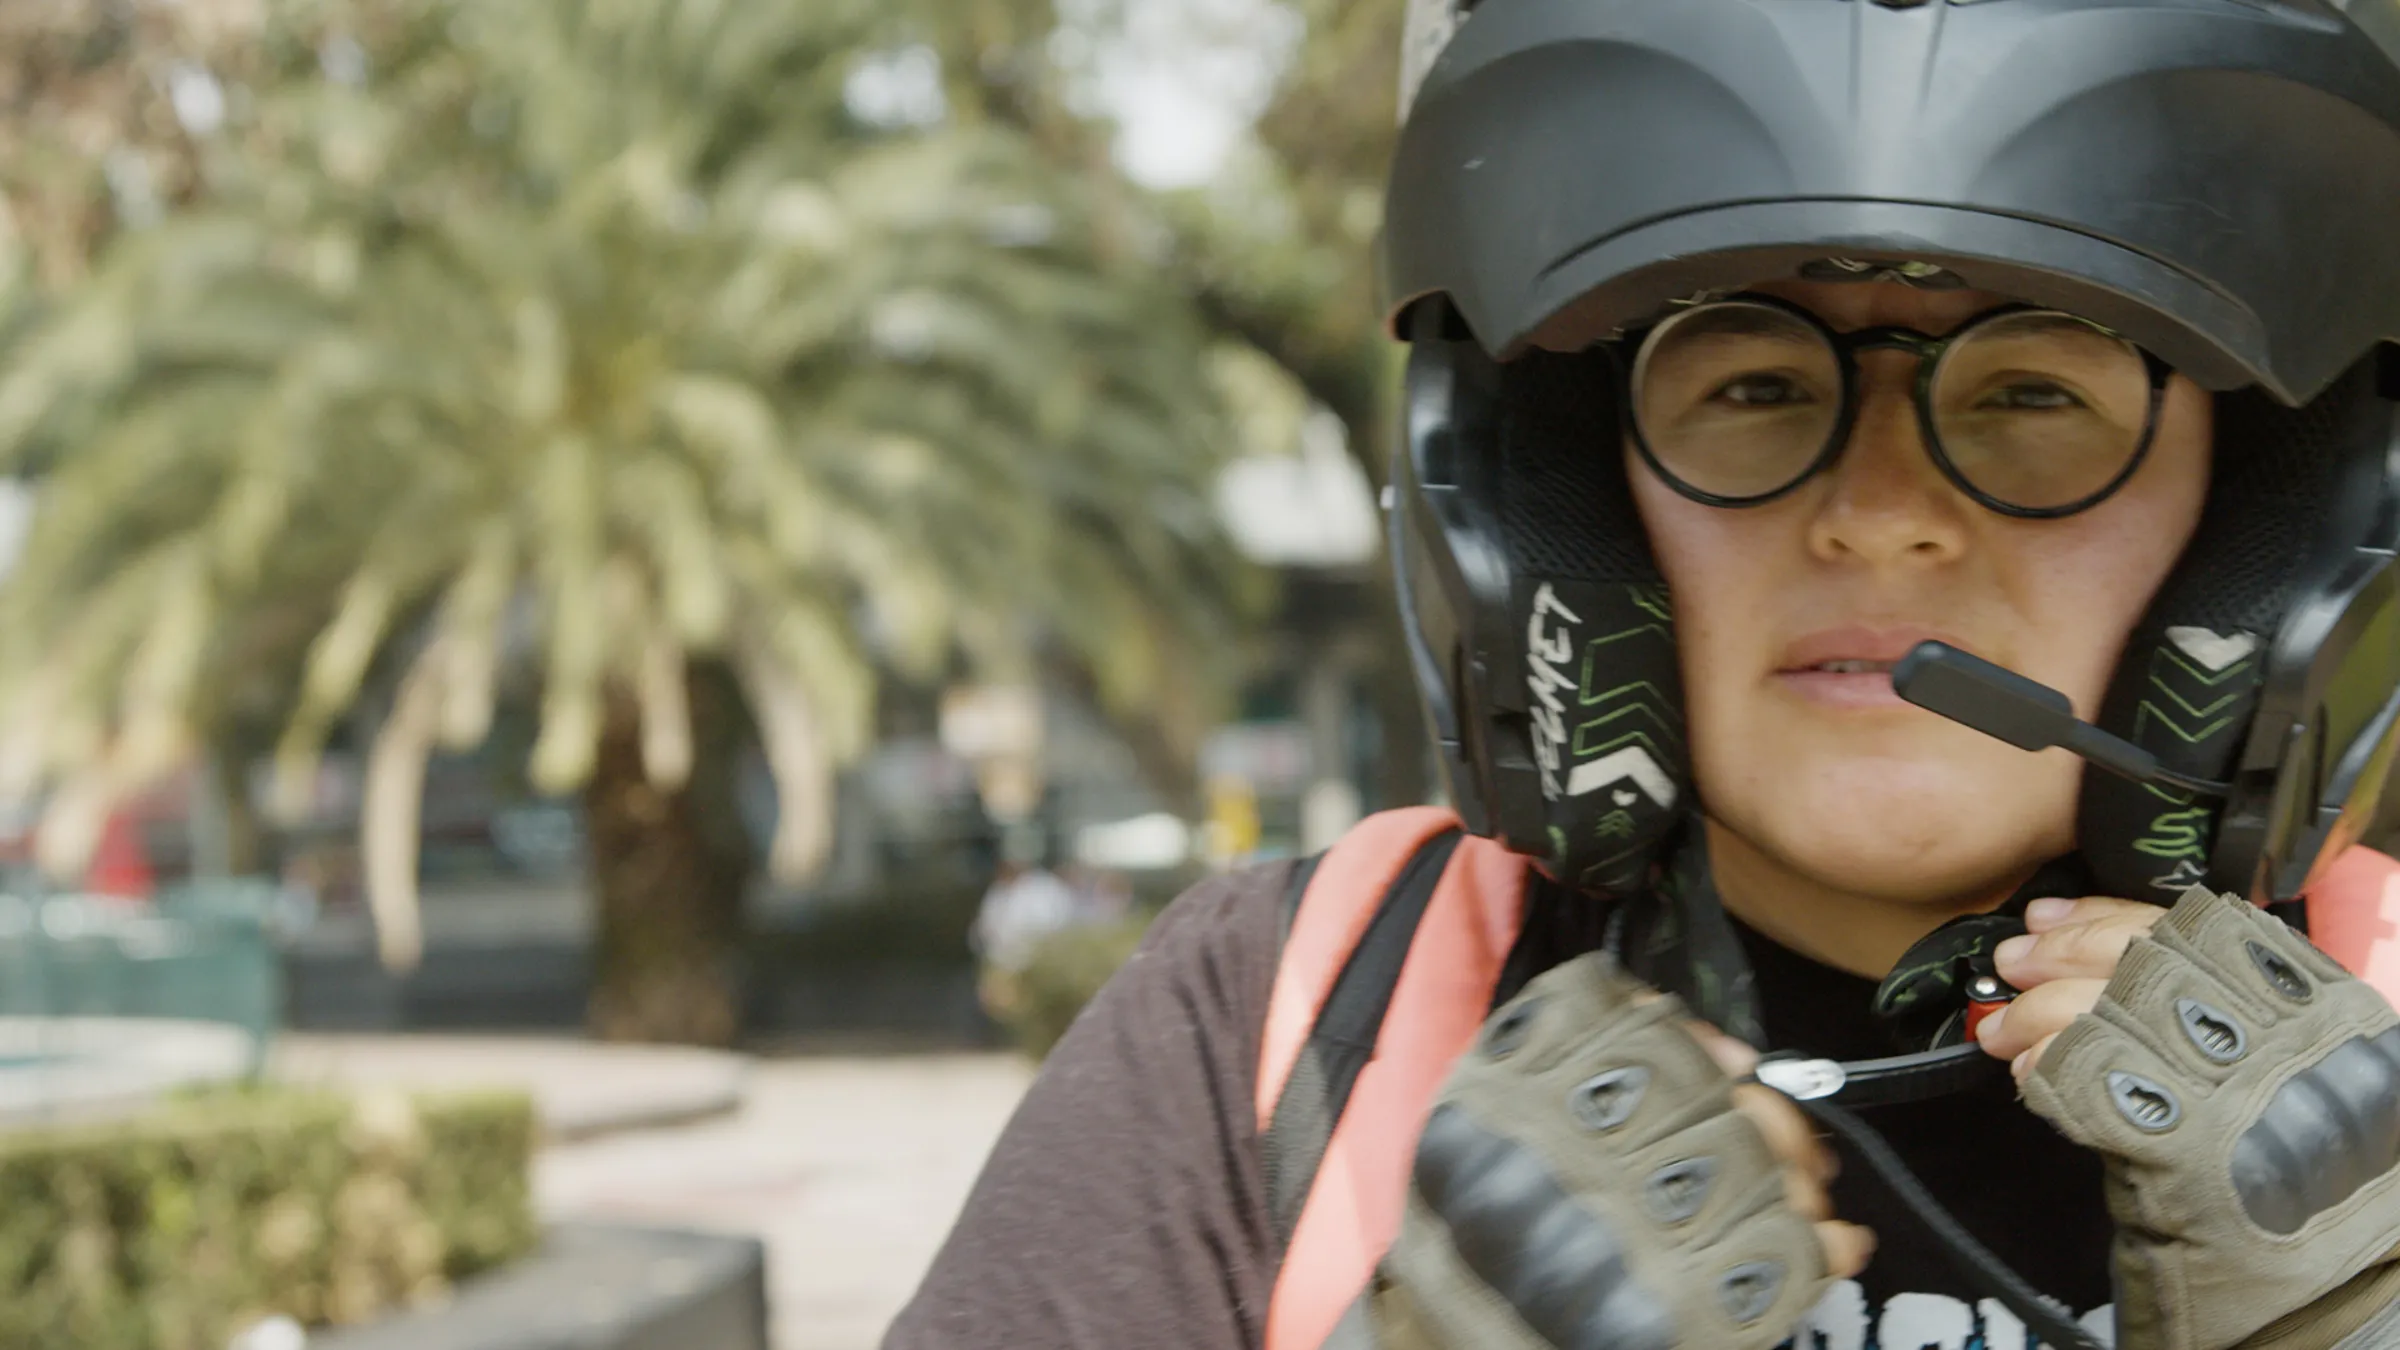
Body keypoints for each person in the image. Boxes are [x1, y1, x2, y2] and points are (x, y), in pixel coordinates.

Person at [887, 2, 2400, 1348]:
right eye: (1753, 384)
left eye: (2033, 392)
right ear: (1565, 506)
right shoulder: (1291, 1012)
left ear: (2264, 522)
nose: (1877, 512)